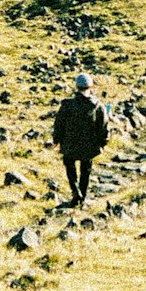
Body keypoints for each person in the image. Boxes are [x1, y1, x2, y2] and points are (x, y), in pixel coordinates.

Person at [52, 72, 110, 207]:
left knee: (70, 167)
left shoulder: (67, 105)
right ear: (90, 86)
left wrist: (57, 140)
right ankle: (82, 197)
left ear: (77, 87)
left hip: (69, 144)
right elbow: (103, 126)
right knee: (86, 170)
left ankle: (75, 191)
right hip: (89, 145)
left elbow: (59, 124)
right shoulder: (97, 106)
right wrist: (103, 142)